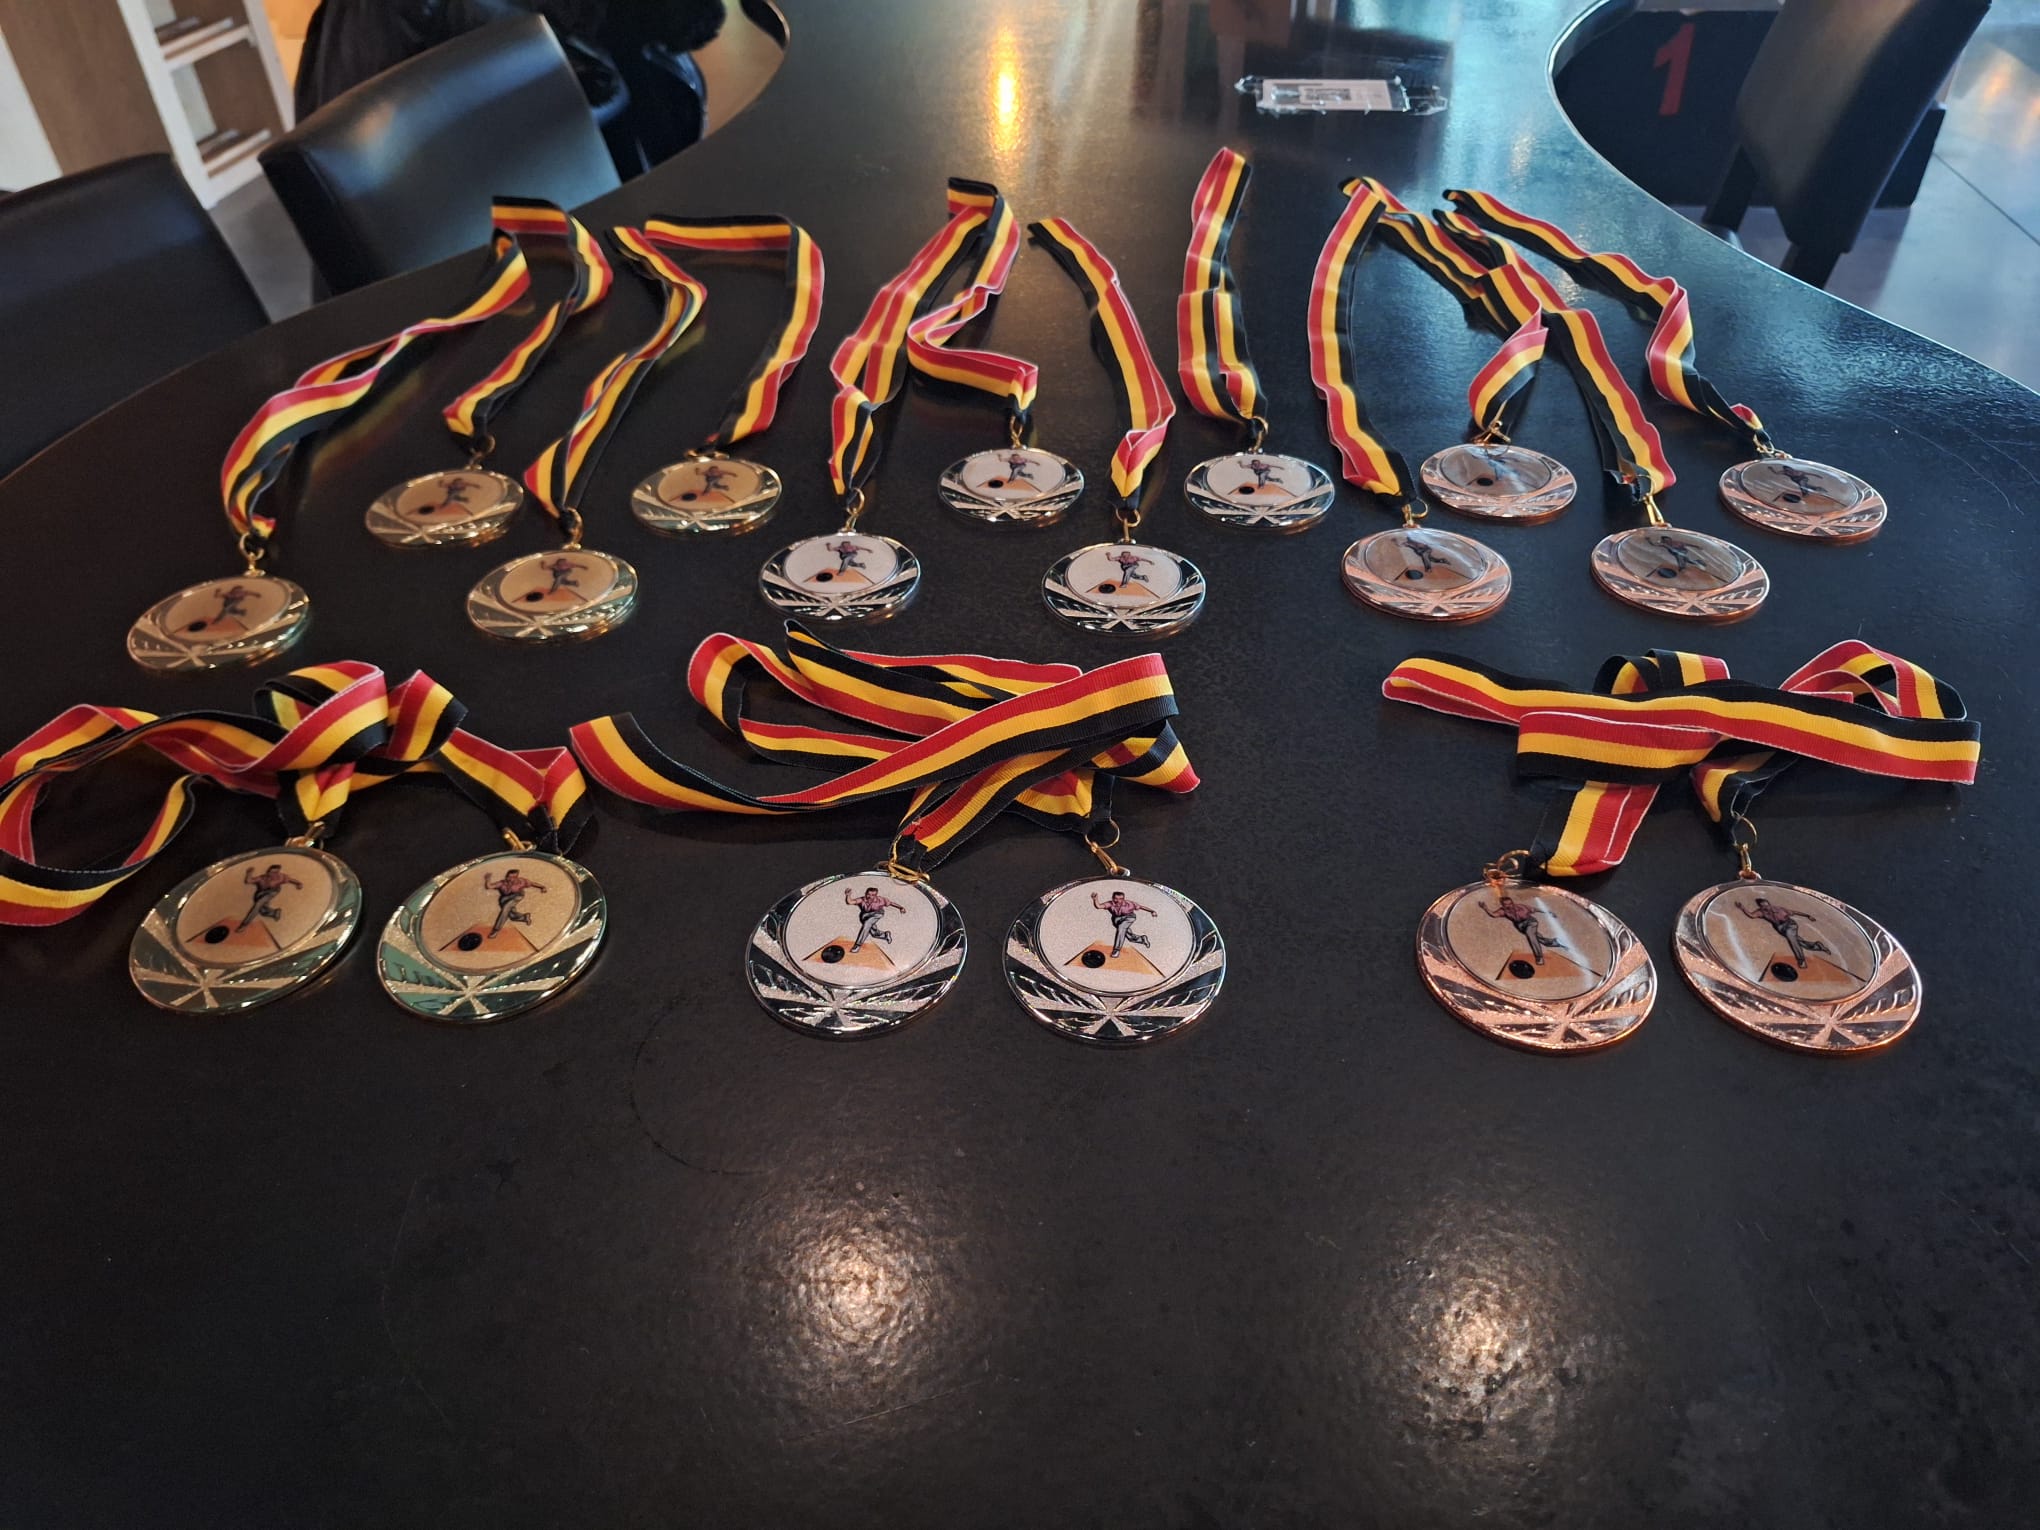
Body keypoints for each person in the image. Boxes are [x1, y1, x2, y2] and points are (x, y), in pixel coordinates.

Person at [1736, 893, 1832, 969]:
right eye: (1763, 906)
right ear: (1760, 907)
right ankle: (1817, 946)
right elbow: (1752, 915)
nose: (1766, 908)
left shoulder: (1779, 908)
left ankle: (1801, 960)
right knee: (1799, 942)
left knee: (1792, 940)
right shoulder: (1761, 912)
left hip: (1790, 925)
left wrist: (1807, 915)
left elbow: (1794, 912)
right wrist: (1742, 908)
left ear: (1769, 904)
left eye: (1767, 905)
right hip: (1781, 929)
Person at [1479, 892, 1567, 967]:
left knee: (1531, 936)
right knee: (1540, 939)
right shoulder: (1503, 911)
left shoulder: (1521, 907)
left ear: (1512, 902)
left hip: (1530, 922)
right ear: (1503, 905)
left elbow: (1535, 909)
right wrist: (1485, 908)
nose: (1509, 906)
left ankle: (1539, 957)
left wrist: (1548, 912)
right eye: (1506, 905)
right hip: (1520, 926)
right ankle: (1555, 942)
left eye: (1510, 903)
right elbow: (1494, 915)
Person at [483, 865, 548, 937]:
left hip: (517, 896)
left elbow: (533, 883)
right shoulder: (502, 883)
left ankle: (496, 930)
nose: (508, 878)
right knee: (511, 915)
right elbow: (489, 886)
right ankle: (524, 917)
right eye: (508, 876)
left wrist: (543, 887)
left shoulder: (522, 881)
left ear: (516, 877)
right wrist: (488, 879)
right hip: (504, 899)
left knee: (505, 909)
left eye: (512, 877)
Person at [1091, 888, 1155, 958]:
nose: (1118, 901)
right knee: (1129, 937)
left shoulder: (1130, 904)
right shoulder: (1110, 903)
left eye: (1120, 899)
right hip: (1116, 920)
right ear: (1112, 898)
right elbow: (1099, 906)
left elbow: (1141, 907)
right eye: (1116, 899)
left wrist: (1152, 911)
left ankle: (1116, 950)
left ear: (1123, 899)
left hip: (1129, 917)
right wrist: (1095, 899)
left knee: (1121, 928)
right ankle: (1142, 939)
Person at [238, 863, 304, 930]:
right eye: (271, 872)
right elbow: (248, 881)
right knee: (262, 911)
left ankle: (244, 925)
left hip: (272, 892)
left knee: (258, 904)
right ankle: (274, 913)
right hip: (260, 893)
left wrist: (299, 883)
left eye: (275, 872)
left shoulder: (281, 877)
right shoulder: (262, 878)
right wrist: (249, 873)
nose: (273, 874)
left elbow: (291, 880)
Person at [843, 885, 905, 952]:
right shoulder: (862, 899)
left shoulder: (881, 900)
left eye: (873, 895)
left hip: (877, 914)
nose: (870, 896)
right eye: (868, 894)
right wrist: (848, 895)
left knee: (867, 924)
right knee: (873, 932)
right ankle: (885, 935)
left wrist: (901, 907)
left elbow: (891, 903)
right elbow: (850, 902)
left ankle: (857, 945)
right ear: (865, 893)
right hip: (865, 916)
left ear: (876, 895)